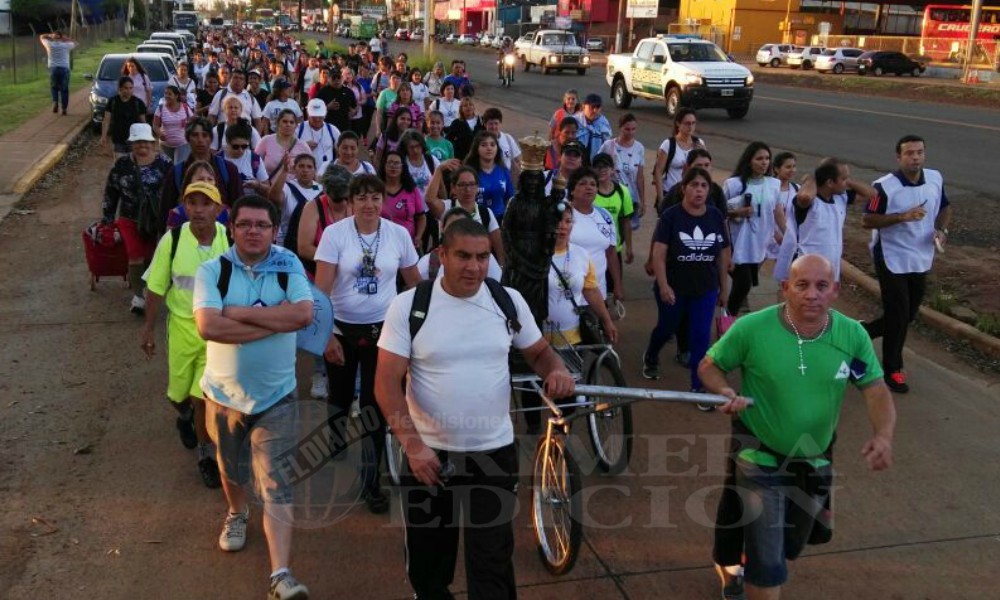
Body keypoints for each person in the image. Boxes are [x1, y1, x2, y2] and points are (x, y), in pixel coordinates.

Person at [374, 218, 576, 600]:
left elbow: (537, 352)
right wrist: (414, 447)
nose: (474, 267)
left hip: (493, 453)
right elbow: (386, 383)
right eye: (463, 256)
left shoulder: (506, 300)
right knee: (429, 567)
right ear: (442, 255)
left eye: (483, 257)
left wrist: (556, 369)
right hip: (430, 457)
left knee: (492, 564)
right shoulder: (410, 306)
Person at [698, 253, 896, 600]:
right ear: (786, 288)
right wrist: (724, 390)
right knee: (770, 561)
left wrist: (883, 435)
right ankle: (746, 567)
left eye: (822, 286)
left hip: (815, 460)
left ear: (834, 291)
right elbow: (709, 366)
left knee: (791, 544)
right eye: (802, 285)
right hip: (758, 459)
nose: (812, 294)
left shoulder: (852, 336)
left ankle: (746, 557)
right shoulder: (751, 328)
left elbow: (875, 389)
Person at [192, 194, 314, 600]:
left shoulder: (288, 264)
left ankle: (280, 575)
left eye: (262, 225)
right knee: (230, 469)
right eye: (245, 224)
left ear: (274, 229)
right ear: (233, 227)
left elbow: (302, 315)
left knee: (278, 481)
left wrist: (239, 314)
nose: (253, 231)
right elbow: (209, 327)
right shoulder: (213, 270)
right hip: (224, 397)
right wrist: (273, 322)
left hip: (277, 395)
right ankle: (236, 511)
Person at [314, 174, 421, 515]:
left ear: (382, 201)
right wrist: (326, 335)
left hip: (385, 334)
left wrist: (418, 327)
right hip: (343, 330)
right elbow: (321, 292)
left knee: (376, 405)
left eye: (375, 197)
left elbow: (415, 285)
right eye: (361, 198)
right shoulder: (334, 235)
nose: (369, 204)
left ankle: (371, 482)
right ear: (351, 202)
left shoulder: (399, 235)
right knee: (341, 395)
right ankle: (336, 436)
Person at [142, 182, 228, 488]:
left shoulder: (228, 240)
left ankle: (206, 456)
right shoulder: (173, 240)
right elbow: (155, 287)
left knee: (203, 397)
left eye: (206, 203)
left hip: (216, 333)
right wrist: (148, 328)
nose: (198, 209)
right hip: (180, 328)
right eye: (192, 203)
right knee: (178, 396)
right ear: (184, 208)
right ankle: (184, 416)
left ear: (219, 209)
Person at [861, 135, 951, 394]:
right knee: (899, 314)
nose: (915, 158)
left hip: (921, 256)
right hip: (891, 257)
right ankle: (892, 369)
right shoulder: (883, 187)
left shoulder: (934, 178)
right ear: (898, 157)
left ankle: (862, 331)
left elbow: (945, 207)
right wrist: (902, 217)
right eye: (909, 153)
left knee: (908, 314)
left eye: (919, 152)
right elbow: (868, 220)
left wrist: (941, 229)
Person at [642, 166, 731, 396]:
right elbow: (659, 255)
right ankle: (651, 355)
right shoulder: (671, 217)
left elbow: (722, 255)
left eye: (704, 186)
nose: (699, 190)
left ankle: (698, 386)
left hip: (705, 288)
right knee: (666, 327)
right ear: (684, 189)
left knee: (701, 336)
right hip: (674, 288)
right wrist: (663, 285)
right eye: (694, 185)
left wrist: (724, 288)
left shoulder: (715, 216)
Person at [723, 141, 785, 317]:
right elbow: (719, 212)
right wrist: (738, 212)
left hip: (758, 244)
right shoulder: (733, 184)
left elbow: (778, 212)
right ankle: (728, 319)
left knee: (743, 286)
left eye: (767, 158)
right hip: (737, 243)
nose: (764, 162)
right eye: (759, 158)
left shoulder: (774, 184)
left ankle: (730, 316)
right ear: (749, 160)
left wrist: (789, 236)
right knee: (743, 284)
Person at [774, 159, 851, 284]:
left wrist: (846, 180)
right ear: (830, 182)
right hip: (803, 263)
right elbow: (805, 197)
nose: (846, 183)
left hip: (827, 268)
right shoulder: (809, 200)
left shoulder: (839, 198)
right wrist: (813, 178)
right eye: (843, 179)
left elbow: (871, 194)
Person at [160, 118, 244, 229]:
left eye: (205, 135)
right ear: (188, 139)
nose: (200, 140)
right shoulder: (176, 172)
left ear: (211, 138)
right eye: (195, 135)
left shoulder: (229, 169)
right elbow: (166, 210)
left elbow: (239, 205)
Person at [426, 162, 505, 264]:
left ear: (477, 187)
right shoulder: (447, 208)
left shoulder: (486, 213)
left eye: (472, 184)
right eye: (462, 185)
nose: (467, 189)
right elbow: (429, 199)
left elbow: (499, 246)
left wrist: (502, 268)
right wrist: (439, 169)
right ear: (453, 188)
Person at [567, 168, 623, 302]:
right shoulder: (563, 216)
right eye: (582, 184)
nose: (589, 187)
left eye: (593, 184)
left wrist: (617, 284)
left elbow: (611, 252)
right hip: (569, 292)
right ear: (572, 190)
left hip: (598, 292)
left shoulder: (605, 216)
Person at [417, 207, 502, 281]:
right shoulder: (426, 263)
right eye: (452, 227)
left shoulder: (487, 260)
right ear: (443, 229)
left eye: (463, 227)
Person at [598, 112, 646, 230]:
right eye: (627, 129)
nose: (630, 132)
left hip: (630, 197)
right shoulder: (608, 146)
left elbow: (640, 177)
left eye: (633, 129)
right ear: (620, 128)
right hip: (611, 195)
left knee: (626, 230)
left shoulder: (639, 148)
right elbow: (596, 167)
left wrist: (642, 201)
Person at [653, 108, 705, 212]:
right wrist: (661, 199)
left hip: (691, 194)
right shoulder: (668, 144)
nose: (690, 127)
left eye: (693, 123)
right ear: (678, 123)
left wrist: (702, 152)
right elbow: (658, 172)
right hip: (671, 194)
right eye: (687, 123)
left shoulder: (699, 144)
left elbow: (706, 169)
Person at [269, 152, 323, 246]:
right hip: (288, 241)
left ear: (315, 170)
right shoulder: (287, 187)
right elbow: (274, 197)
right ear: (294, 169)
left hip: (314, 242)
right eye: (301, 166)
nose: (305, 170)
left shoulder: (320, 188)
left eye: (309, 167)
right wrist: (284, 171)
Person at [593, 152, 635, 270]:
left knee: (614, 285)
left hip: (613, 249)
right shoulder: (590, 191)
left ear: (612, 170)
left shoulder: (623, 192)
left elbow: (626, 222)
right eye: (597, 167)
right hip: (593, 250)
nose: (601, 170)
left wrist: (629, 247)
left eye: (605, 166)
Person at [378, 149, 427, 248]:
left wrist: (418, 236)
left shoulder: (411, 189)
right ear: (384, 166)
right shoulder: (376, 189)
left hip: (407, 244)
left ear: (402, 167)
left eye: (397, 163)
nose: (393, 166)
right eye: (390, 163)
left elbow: (421, 217)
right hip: (381, 244)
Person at [464, 131, 514, 223]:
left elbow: (510, 197)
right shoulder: (469, 172)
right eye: (484, 145)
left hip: (499, 220)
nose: (489, 148)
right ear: (477, 149)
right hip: (475, 221)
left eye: (492, 145)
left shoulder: (503, 171)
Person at [256, 109, 313, 175]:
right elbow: (255, 162)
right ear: (278, 123)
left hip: (294, 184)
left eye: (291, 122)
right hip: (270, 184)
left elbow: (311, 167)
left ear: (296, 125)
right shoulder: (266, 141)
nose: (288, 124)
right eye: (285, 121)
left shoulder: (303, 145)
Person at [221, 121, 270, 197]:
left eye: (244, 146)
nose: (240, 150)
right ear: (227, 142)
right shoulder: (219, 159)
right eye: (235, 147)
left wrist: (257, 185)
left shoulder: (254, 159)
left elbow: (267, 189)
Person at [101, 77, 147, 158]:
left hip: (134, 140)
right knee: (119, 165)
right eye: (126, 88)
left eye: (131, 88)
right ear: (120, 88)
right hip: (118, 139)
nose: (129, 91)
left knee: (133, 166)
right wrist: (103, 136)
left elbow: (143, 122)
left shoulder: (138, 103)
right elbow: (106, 120)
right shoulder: (113, 102)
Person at [208, 69, 265, 134]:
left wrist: (257, 137)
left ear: (244, 82)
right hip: (224, 135)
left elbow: (257, 120)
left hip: (244, 136)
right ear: (230, 79)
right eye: (235, 77)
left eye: (241, 79)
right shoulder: (221, 94)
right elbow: (212, 116)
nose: (238, 80)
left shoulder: (250, 97)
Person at [296, 99, 340, 176]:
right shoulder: (298, 129)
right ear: (308, 114)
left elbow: (340, 152)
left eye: (320, 116)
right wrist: (303, 146)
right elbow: (288, 150)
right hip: (303, 175)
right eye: (314, 116)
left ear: (325, 114)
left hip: (326, 176)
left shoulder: (333, 130)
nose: (317, 119)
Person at [153, 85, 195, 161]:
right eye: (165, 94)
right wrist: (159, 134)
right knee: (169, 168)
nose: (167, 96)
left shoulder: (185, 107)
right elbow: (155, 125)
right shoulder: (160, 108)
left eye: (169, 94)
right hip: (165, 145)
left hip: (183, 144)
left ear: (176, 96)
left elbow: (193, 122)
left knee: (179, 167)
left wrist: (188, 126)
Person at [40, 30, 76, 115]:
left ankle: (55, 102)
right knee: (64, 89)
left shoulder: (49, 44)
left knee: (54, 87)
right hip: (64, 68)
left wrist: (50, 35)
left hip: (53, 68)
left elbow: (41, 36)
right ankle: (64, 108)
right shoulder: (66, 45)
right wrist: (65, 38)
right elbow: (75, 42)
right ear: (61, 37)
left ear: (53, 37)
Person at [482, 107, 522, 183]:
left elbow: (518, 160)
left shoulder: (508, 138)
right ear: (485, 124)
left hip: (506, 180)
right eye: (490, 124)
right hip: (488, 181)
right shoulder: (481, 141)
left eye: (496, 123)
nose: (493, 127)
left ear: (500, 123)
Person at [315, 67, 357, 132]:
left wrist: (353, 112)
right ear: (329, 79)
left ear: (342, 78)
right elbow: (315, 109)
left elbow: (355, 107)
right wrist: (327, 107)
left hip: (345, 127)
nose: (336, 80)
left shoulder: (348, 92)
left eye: (338, 77)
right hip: (328, 127)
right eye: (334, 78)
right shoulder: (322, 92)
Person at [447, 97, 484, 171]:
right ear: (461, 109)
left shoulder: (481, 121)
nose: (468, 107)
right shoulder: (457, 123)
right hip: (463, 159)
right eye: (465, 105)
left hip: (479, 158)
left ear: (474, 107)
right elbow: (448, 140)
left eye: (470, 104)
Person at [576, 93, 613, 163]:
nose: (595, 110)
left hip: (595, 165)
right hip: (576, 163)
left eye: (598, 107)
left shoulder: (604, 124)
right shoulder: (575, 121)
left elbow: (608, 148)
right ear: (584, 106)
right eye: (592, 107)